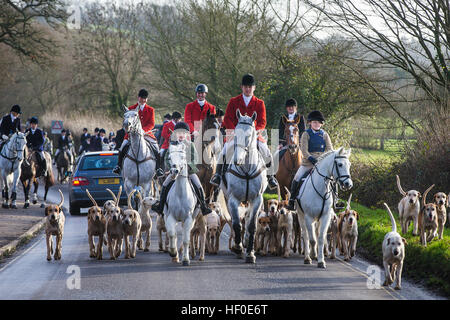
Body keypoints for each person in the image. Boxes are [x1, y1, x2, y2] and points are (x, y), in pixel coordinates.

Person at [210, 74, 278, 189]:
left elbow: (262, 121)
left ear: (254, 88)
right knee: (225, 150)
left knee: (266, 151)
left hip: (254, 135)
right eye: (246, 87)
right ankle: (217, 175)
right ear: (242, 87)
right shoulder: (233, 101)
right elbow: (228, 119)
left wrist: (256, 132)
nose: (248, 89)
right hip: (236, 135)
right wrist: (232, 131)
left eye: (250, 87)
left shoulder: (259, 103)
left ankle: (270, 177)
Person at [151, 121, 212, 216]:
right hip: (174, 172)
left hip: (189, 171)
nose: (181, 135)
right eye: (179, 133)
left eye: (183, 133)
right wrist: (172, 167)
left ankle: (203, 207)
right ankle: (160, 206)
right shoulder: (172, 145)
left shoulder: (190, 144)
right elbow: (167, 158)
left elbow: (195, 158)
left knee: (199, 186)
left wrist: (188, 166)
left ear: (186, 134)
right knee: (165, 185)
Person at [286, 110, 333, 210]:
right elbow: (304, 150)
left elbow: (330, 150)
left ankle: (336, 201)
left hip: (322, 163)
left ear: (321, 124)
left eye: (318, 122)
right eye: (314, 122)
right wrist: (312, 158)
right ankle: (292, 200)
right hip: (308, 163)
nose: (316, 124)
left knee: (333, 178)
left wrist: (321, 159)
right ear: (310, 123)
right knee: (297, 178)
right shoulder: (305, 134)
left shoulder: (325, 135)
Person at [113, 89, 164, 177]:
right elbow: (127, 122)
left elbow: (151, 124)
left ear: (146, 99)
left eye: (145, 98)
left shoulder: (151, 109)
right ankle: (118, 166)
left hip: (146, 133)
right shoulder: (131, 108)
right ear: (138, 97)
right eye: (141, 98)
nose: (143, 100)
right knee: (122, 147)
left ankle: (158, 168)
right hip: (131, 134)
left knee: (156, 148)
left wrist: (143, 131)